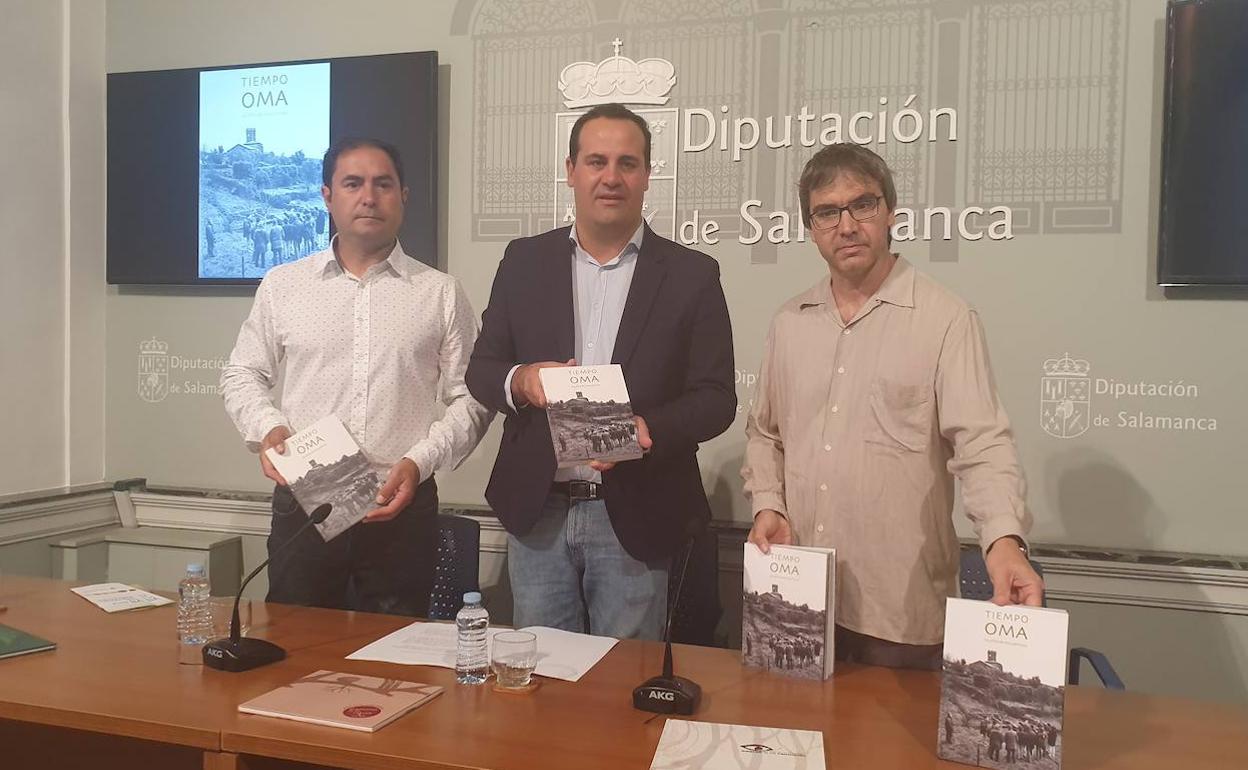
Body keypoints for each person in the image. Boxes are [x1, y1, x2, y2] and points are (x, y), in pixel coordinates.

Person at [741, 143, 1042, 669]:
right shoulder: (790, 322)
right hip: (801, 597)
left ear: (891, 215)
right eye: (827, 212)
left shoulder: (946, 319)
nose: (847, 225)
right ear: (811, 228)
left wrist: (1004, 538)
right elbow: (766, 433)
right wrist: (769, 503)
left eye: (863, 205)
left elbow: (983, 445)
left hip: (900, 616)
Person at [466, 103, 735, 640]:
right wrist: (522, 381)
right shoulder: (523, 261)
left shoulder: (692, 275)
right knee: (540, 682)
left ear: (647, 176)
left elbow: (715, 398)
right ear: (571, 171)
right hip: (538, 512)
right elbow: (481, 369)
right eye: (596, 161)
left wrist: (646, 429)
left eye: (627, 163)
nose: (611, 177)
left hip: (635, 515)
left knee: (621, 686)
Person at [221, 137, 491, 615]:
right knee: (293, 649)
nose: (369, 196)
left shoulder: (440, 293)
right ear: (327, 195)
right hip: (307, 499)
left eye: (383, 184)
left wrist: (420, 461)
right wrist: (269, 429)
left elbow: (472, 399)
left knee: (394, 665)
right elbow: (242, 373)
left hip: (401, 502)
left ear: (403, 195)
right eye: (353, 183)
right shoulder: (284, 285)